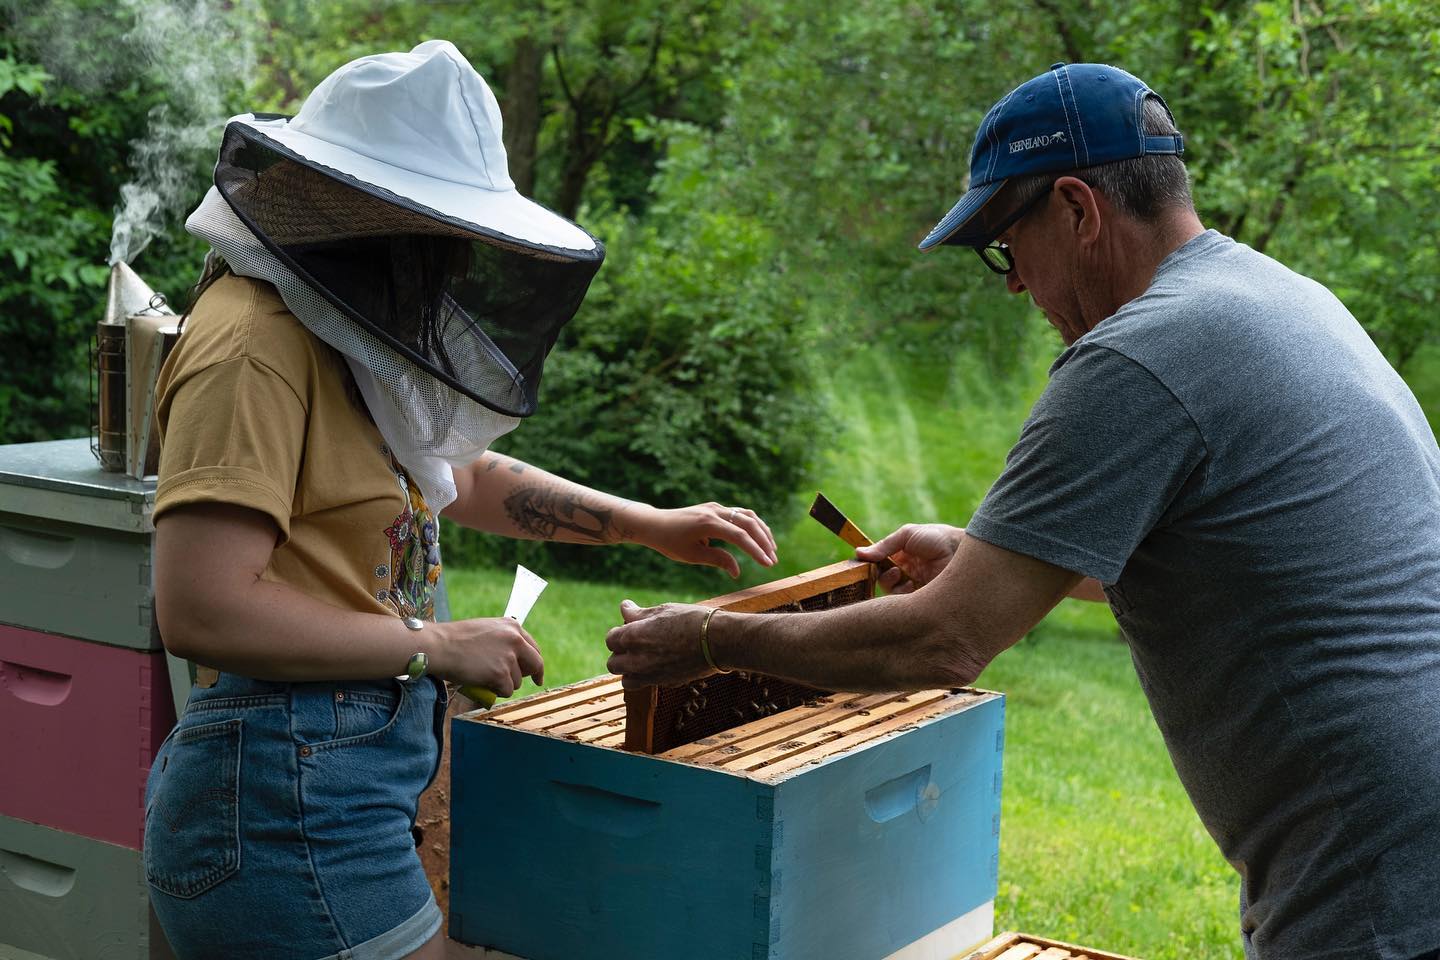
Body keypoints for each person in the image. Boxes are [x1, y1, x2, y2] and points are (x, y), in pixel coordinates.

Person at [606, 62, 1440, 960]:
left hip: (1378, 875)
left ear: (1079, 210)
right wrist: (982, 551)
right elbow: (1220, 548)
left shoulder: (1138, 355)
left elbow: (943, 642)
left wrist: (708, 640)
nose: (1011, 284)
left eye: (1006, 247)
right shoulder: (1280, 298)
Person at [144, 40, 777, 960]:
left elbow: (455, 473)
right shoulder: (252, 348)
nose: (450, 266)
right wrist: (435, 644)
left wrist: (649, 526)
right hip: (282, 805)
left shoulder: (335, 337)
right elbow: (201, 603)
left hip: (337, 785)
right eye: (437, 234)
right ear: (369, 216)